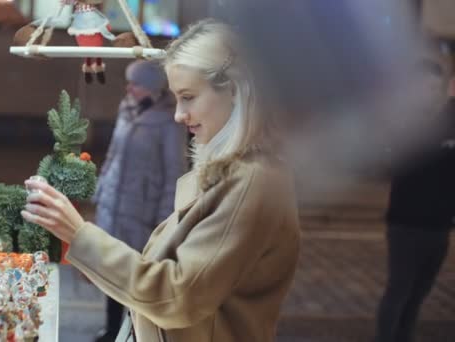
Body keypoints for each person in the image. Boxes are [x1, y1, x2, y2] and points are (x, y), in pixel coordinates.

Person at [22, 19, 300, 342]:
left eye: (189, 97)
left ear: (235, 92)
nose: (178, 114)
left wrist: (79, 234)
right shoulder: (233, 170)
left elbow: (176, 295)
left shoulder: (252, 181)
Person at [93, 60, 188, 341]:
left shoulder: (169, 122)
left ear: (150, 88)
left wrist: (164, 218)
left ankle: (135, 332)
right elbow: (113, 154)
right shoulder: (126, 109)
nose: (128, 88)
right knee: (112, 273)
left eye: (134, 83)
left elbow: (175, 173)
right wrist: (101, 190)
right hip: (114, 205)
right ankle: (111, 329)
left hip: (142, 212)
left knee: (135, 278)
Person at [375, 52, 454, 342]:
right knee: (399, 292)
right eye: (424, 88)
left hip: (440, 226)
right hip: (407, 225)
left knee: (418, 297)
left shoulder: (447, 121)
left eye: (436, 88)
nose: (430, 95)